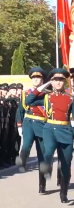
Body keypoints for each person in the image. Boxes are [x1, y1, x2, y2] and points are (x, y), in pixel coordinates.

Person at [32, 68, 73, 203]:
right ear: (52, 82)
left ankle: (63, 193)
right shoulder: (46, 96)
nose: (58, 82)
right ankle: (46, 167)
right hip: (50, 129)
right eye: (55, 80)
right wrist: (45, 85)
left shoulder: (70, 98)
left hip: (66, 130)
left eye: (61, 80)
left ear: (64, 82)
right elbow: (29, 99)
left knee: (66, 165)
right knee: (48, 151)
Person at [16, 67, 47, 194]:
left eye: (38, 78)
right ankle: (22, 161)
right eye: (34, 78)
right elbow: (20, 110)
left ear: (42, 80)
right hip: (28, 122)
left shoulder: (47, 93)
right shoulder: (26, 93)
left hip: (42, 124)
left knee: (42, 157)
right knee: (27, 143)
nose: (35, 80)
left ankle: (42, 184)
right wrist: (19, 124)